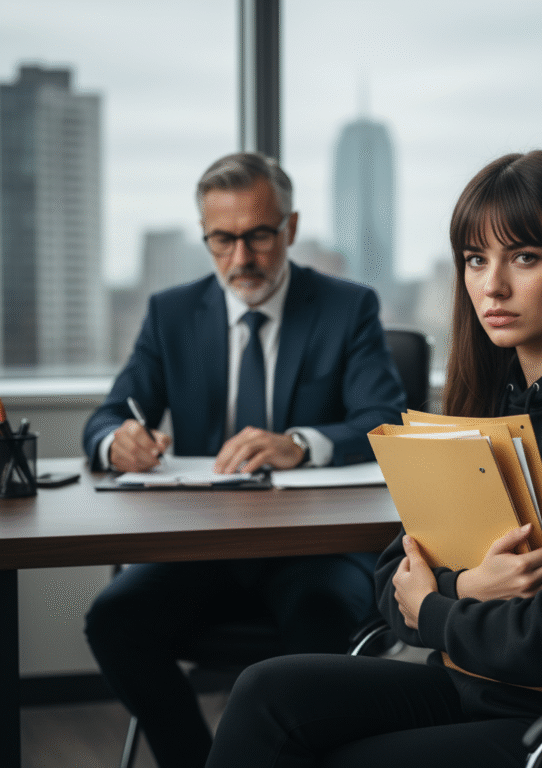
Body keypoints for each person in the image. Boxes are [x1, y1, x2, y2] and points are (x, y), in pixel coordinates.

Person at [203, 150, 542, 768]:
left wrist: (440, 609)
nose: (492, 285)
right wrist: (466, 587)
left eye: (525, 257)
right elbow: (394, 582)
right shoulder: (492, 400)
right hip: (491, 688)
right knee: (267, 690)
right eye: (476, 260)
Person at [83, 151, 407, 768]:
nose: (241, 258)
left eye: (258, 235)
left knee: (316, 631)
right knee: (113, 622)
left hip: (316, 552)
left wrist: (301, 443)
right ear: (205, 236)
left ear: (288, 227)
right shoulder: (171, 313)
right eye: (222, 240)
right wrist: (116, 440)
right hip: (202, 551)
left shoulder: (348, 307)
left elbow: (386, 423)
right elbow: (105, 418)